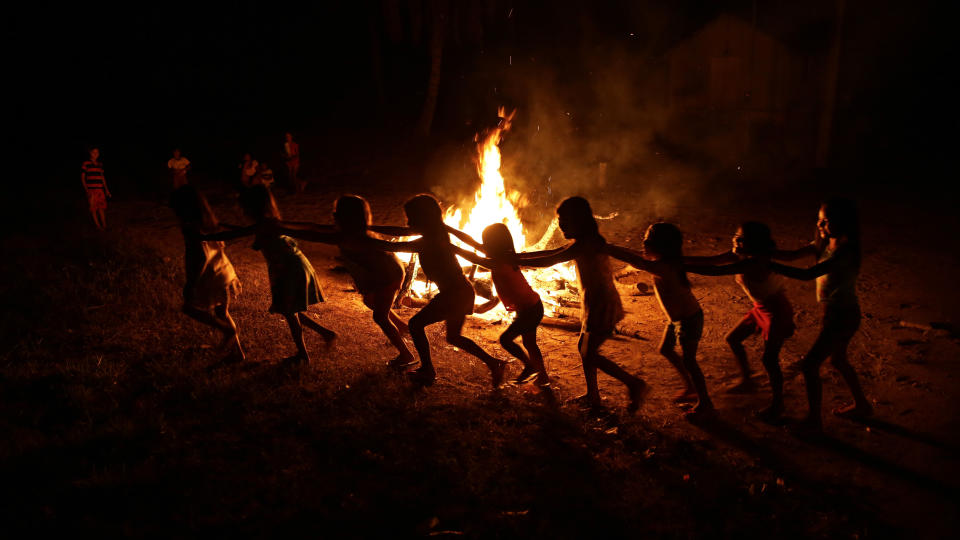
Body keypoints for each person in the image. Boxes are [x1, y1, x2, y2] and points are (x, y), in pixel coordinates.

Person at [357, 194, 506, 388]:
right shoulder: (437, 231)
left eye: (411, 217)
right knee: (453, 337)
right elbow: (400, 231)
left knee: (416, 324)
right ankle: (495, 363)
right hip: (459, 291)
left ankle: (428, 370)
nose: (408, 222)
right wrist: (368, 228)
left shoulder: (427, 241)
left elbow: (392, 244)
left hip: (454, 294)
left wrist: (364, 236)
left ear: (423, 219)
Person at [518, 197, 648, 413]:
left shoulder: (585, 244)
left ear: (581, 221)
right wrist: (519, 257)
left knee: (589, 352)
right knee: (584, 348)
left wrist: (517, 260)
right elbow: (552, 254)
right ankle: (593, 396)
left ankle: (633, 383)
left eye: (566, 220)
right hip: (594, 303)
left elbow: (551, 260)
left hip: (602, 304)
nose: (561, 225)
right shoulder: (584, 242)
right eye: (560, 220)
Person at [201, 185, 336, 364]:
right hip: (291, 266)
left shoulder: (266, 224)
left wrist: (203, 237)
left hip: (289, 269)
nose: (241, 210)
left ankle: (303, 355)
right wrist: (219, 227)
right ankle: (326, 334)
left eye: (243, 207)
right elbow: (246, 230)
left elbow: (237, 234)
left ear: (252, 207)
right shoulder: (267, 222)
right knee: (290, 308)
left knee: (290, 311)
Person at [276, 195, 414, 368]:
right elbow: (313, 228)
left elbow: (312, 235)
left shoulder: (353, 238)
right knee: (371, 303)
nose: (333, 215)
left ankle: (406, 354)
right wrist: (282, 225)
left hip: (388, 276)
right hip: (382, 275)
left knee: (379, 316)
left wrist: (283, 229)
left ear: (346, 217)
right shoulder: (347, 233)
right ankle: (403, 328)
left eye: (337, 213)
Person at [770, 198, 871, 432]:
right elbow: (792, 255)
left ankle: (814, 421)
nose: (820, 225)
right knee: (837, 360)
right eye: (818, 219)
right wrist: (765, 253)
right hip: (834, 314)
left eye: (826, 221)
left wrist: (769, 266)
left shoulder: (846, 251)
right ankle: (863, 405)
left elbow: (809, 274)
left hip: (843, 315)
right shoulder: (823, 244)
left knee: (810, 366)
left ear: (844, 222)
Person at [684, 222, 794, 422]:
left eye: (742, 239)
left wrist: (679, 266)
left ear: (755, 245)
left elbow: (715, 271)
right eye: (736, 235)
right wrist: (677, 260)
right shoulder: (739, 254)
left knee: (769, 359)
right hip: (760, 308)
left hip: (777, 311)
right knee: (733, 339)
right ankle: (747, 380)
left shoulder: (755, 262)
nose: (736, 240)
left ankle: (778, 404)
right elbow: (711, 261)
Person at [606, 222, 714, 417]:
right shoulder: (667, 260)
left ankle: (705, 403)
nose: (643, 242)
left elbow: (639, 262)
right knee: (665, 349)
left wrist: (605, 248)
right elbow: (635, 255)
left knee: (690, 361)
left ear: (661, 246)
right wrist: (608, 246)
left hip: (688, 320)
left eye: (647, 240)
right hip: (675, 320)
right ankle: (690, 388)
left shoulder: (664, 267)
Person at [445, 223, 549, 386]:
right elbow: (471, 242)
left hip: (531, 309)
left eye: (485, 241)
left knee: (506, 339)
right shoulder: (503, 256)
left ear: (494, 244)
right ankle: (542, 377)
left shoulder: (499, 261)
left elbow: (473, 256)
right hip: (530, 306)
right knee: (529, 343)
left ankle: (529, 366)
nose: (482, 244)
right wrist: (449, 229)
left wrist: (451, 246)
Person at [170, 185, 244, 361]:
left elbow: (199, 257)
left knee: (189, 308)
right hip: (224, 272)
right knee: (222, 313)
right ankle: (237, 353)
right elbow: (219, 247)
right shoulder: (209, 222)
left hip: (212, 276)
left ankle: (228, 331)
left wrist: (191, 283)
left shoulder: (190, 228)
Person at [81, 147, 111, 231]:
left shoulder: (100, 164)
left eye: (97, 152)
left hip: (100, 189)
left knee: (101, 208)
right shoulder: (86, 163)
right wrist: (86, 190)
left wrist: (106, 190)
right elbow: (83, 178)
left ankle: (104, 225)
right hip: (91, 190)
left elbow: (102, 178)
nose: (96, 154)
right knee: (93, 208)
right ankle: (98, 226)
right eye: (94, 152)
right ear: (90, 153)